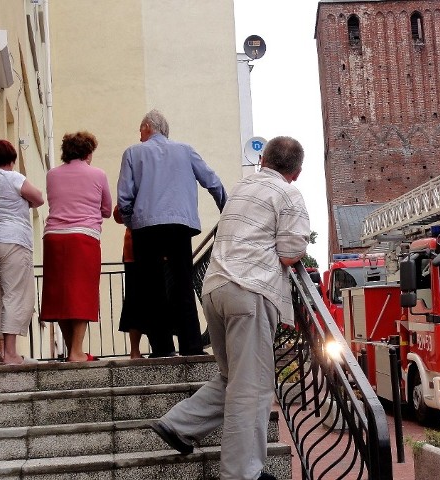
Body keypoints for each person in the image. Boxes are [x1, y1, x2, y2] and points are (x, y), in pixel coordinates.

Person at [149, 136, 310, 480]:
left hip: (215, 288)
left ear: (262, 160)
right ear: (295, 172)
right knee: (251, 385)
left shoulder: (241, 187)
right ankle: (243, 473)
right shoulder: (287, 193)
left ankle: (179, 425)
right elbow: (291, 251)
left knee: (232, 378)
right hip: (248, 290)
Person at [117, 109, 227, 358]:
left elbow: (124, 197)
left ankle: (163, 348)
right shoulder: (186, 150)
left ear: (147, 127)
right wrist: (226, 210)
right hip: (180, 226)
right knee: (183, 285)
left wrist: (131, 223)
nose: (139, 134)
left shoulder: (133, 152)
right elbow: (212, 182)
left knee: (152, 288)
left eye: (140, 129)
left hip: (146, 227)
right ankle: (192, 347)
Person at [40, 131, 112, 362]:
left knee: (60, 294)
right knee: (82, 293)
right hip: (84, 238)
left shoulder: (52, 175)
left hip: (54, 237)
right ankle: (77, 352)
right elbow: (107, 210)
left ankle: (72, 349)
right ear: (88, 152)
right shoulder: (98, 175)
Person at [0, 140, 45, 365]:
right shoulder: (13, 177)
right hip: (14, 241)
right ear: (12, 160)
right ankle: (10, 353)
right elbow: (38, 198)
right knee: (15, 294)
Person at [113, 206, 143, 359]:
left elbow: (118, 215)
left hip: (133, 248)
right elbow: (118, 215)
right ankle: (136, 351)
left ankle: (135, 351)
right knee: (136, 301)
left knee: (134, 301)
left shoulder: (130, 184)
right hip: (135, 250)